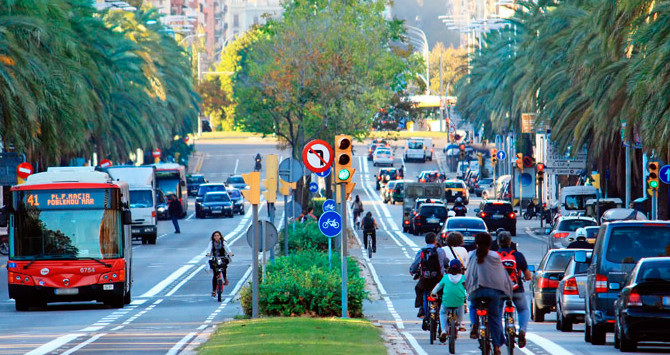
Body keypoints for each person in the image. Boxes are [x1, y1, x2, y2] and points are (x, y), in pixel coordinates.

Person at [465, 232, 513, 355]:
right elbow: (502, 275)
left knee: (473, 306)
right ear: (490, 243)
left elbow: (468, 273)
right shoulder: (495, 256)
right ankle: (497, 346)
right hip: (494, 293)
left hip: (476, 291)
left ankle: (474, 324)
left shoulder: (471, 255)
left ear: (476, 243)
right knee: (495, 318)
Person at [496, 231, 531, 348]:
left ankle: (499, 335)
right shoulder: (518, 255)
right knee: (523, 310)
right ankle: (522, 331)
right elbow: (528, 276)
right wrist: (526, 277)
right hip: (516, 289)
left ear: (498, 242)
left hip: (499, 290)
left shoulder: (494, 255)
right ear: (510, 242)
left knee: (497, 313)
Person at [410, 232, 448, 323]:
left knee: (419, 289)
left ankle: (421, 308)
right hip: (438, 280)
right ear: (435, 241)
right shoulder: (440, 251)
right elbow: (446, 262)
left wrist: (412, 270)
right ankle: (442, 311)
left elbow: (415, 264)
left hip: (426, 280)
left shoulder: (422, 251)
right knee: (443, 293)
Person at [431, 259, 466, 343]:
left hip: (446, 301)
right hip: (458, 300)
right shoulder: (463, 278)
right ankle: (461, 323)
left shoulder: (446, 277)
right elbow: (467, 288)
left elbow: (438, 287)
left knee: (443, 313)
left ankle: (443, 330)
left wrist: (433, 293)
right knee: (461, 306)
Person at [206, 231, 234, 295]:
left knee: (224, 266)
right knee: (215, 274)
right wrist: (208, 253)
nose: (216, 237)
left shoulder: (223, 242)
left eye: (218, 235)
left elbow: (227, 249)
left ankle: (225, 279)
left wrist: (230, 253)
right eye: (215, 236)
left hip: (222, 257)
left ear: (220, 236)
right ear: (213, 237)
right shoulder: (211, 243)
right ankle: (214, 290)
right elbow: (208, 249)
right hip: (214, 258)